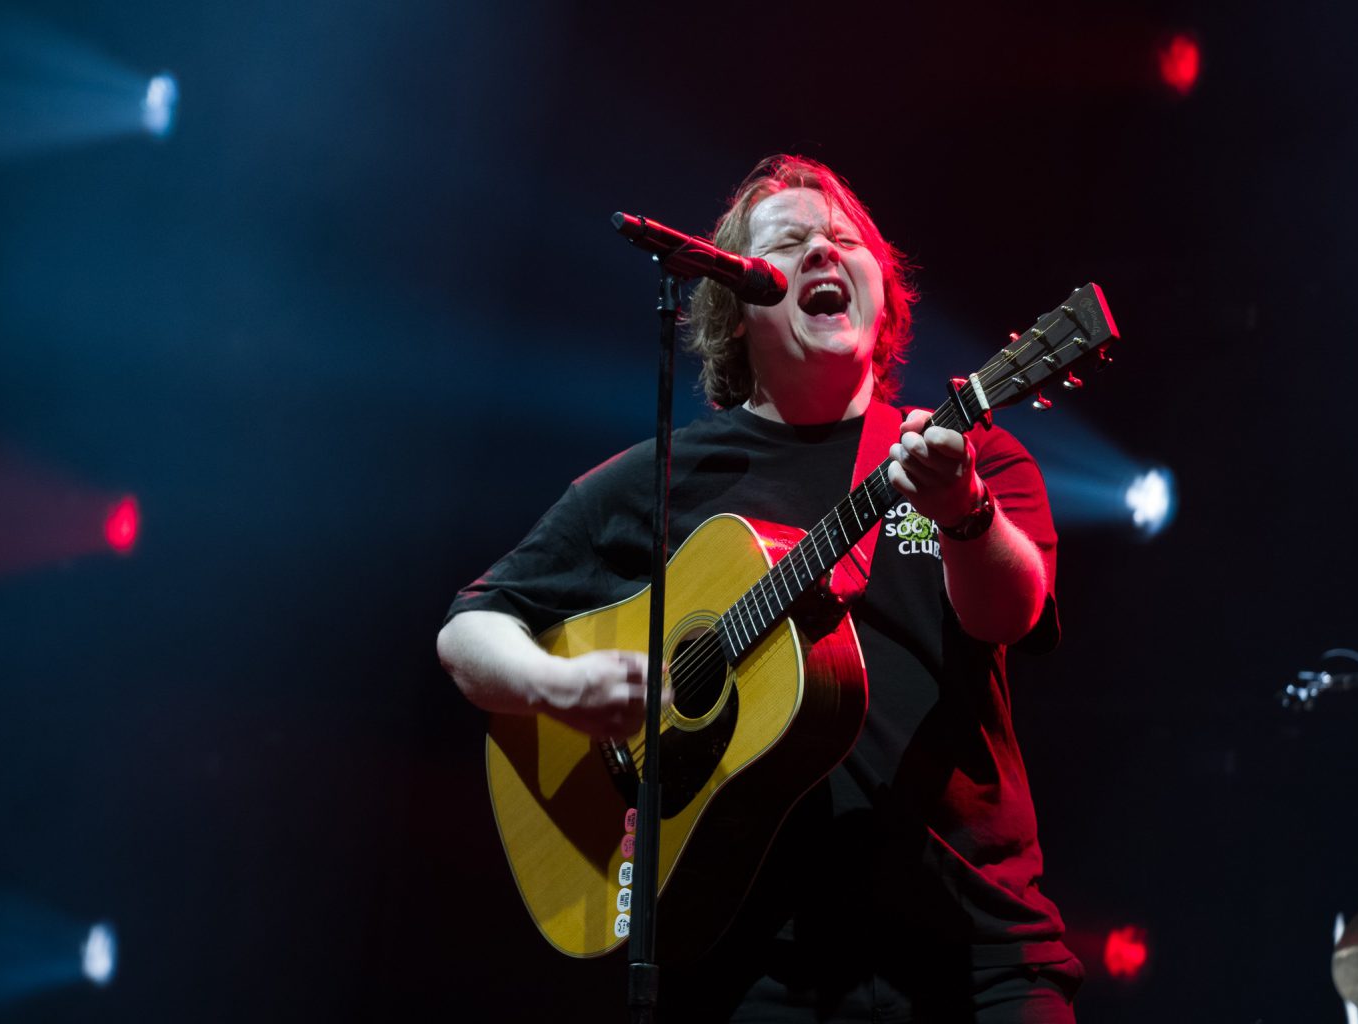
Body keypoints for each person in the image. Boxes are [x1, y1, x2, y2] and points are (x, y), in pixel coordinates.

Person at [436, 154, 1082, 1022]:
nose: (822, 251)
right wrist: (561, 686)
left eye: (844, 239)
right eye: (789, 243)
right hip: (748, 970)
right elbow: (470, 630)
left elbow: (1011, 614)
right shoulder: (665, 478)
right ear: (735, 308)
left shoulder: (971, 455)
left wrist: (965, 511)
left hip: (977, 956)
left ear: (884, 293)